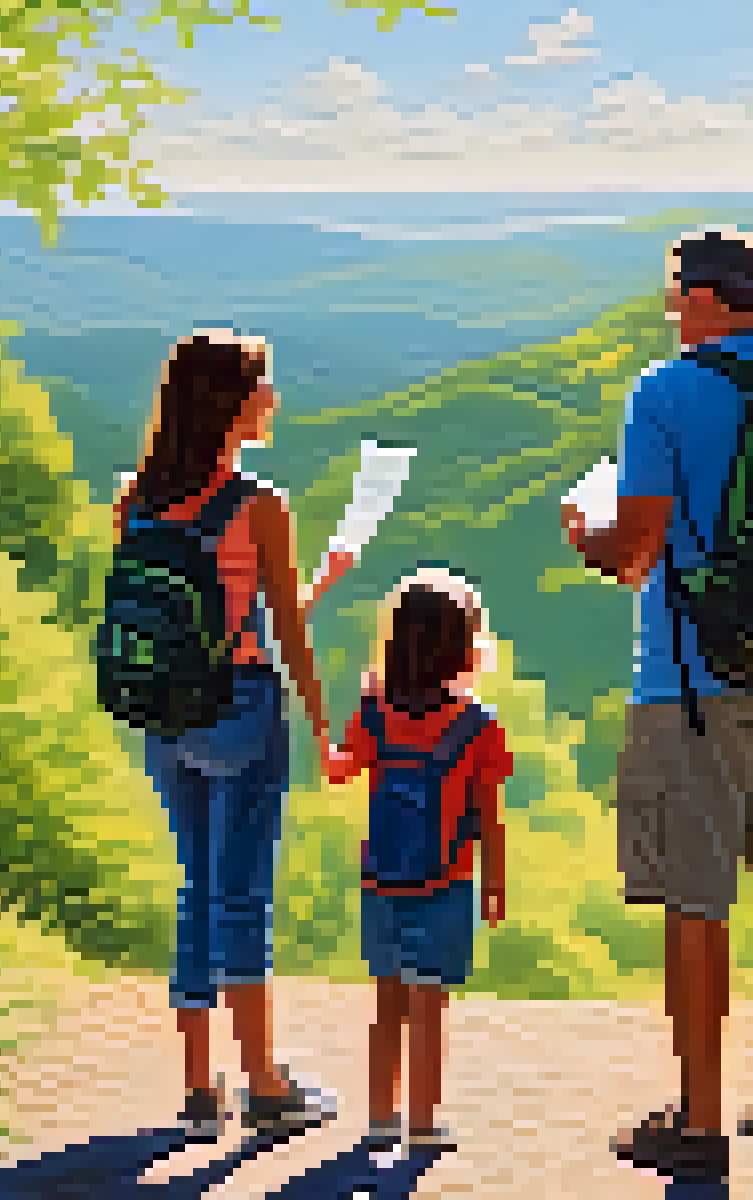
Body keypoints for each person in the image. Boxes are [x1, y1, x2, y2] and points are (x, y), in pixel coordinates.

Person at [561, 228, 753, 1180]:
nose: (670, 313)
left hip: (696, 680)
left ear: (700, 298)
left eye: (672, 297)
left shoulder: (666, 390)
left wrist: (583, 525)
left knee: (696, 904)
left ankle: (698, 1126)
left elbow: (634, 553)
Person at [110, 329, 356, 1142]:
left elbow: (212, 621)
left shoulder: (137, 500)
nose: (272, 399)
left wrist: (319, 579)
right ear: (231, 402)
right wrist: (325, 731)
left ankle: (196, 1089)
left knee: (196, 888)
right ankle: (265, 1084)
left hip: (164, 719)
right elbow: (282, 639)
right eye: (262, 386)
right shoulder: (255, 504)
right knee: (241, 895)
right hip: (242, 713)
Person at [321, 568, 514, 1157]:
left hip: (382, 881)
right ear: (465, 650)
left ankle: (381, 1120)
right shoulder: (478, 726)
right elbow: (488, 816)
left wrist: (335, 723)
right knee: (428, 1010)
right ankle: (423, 1125)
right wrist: (495, 886)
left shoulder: (375, 714)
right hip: (448, 883)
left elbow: (339, 770)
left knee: (388, 1006)